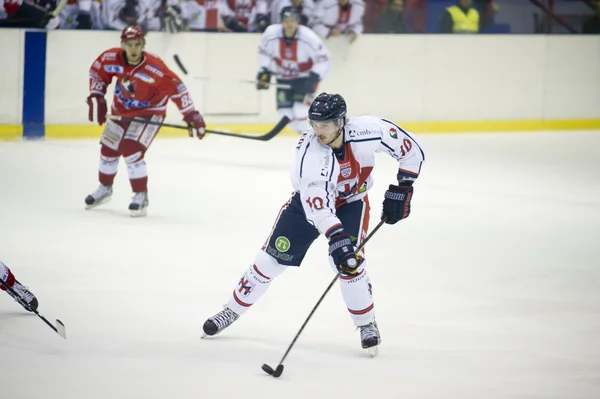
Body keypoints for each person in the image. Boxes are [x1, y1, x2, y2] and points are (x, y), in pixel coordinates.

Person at [202, 93, 425, 355]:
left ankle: (366, 323)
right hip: (307, 208)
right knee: (269, 261)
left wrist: (404, 186)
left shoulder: (370, 130)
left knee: (350, 264)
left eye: (325, 125)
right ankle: (231, 310)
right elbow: (317, 208)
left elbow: (410, 151)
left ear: (341, 122)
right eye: (314, 124)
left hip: (352, 202)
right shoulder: (311, 155)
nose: (318, 131)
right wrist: (336, 235)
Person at [85, 25, 206, 217]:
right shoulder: (110, 58)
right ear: (122, 44)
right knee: (108, 149)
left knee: (131, 148)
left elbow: (177, 89)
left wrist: (191, 115)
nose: (133, 49)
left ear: (143, 44)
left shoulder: (154, 68)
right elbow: (98, 73)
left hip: (149, 113)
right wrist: (97, 95)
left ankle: (141, 195)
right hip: (121, 111)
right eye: (129, 44)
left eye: (137, 44)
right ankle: (105, 188)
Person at [256, 6, 330, 135]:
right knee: (284, 115)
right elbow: (264, 52)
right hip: (283, 77)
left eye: (292, 20)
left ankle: (310, 137)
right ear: (281, 21)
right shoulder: (271, 34)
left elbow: (324, 58)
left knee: (300, 110)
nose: (289, 24)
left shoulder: (308, 37)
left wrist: (314, 77)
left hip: (305, 78)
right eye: (286, 20)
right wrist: (265, 70)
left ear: (297, 21)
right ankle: (305, 135)